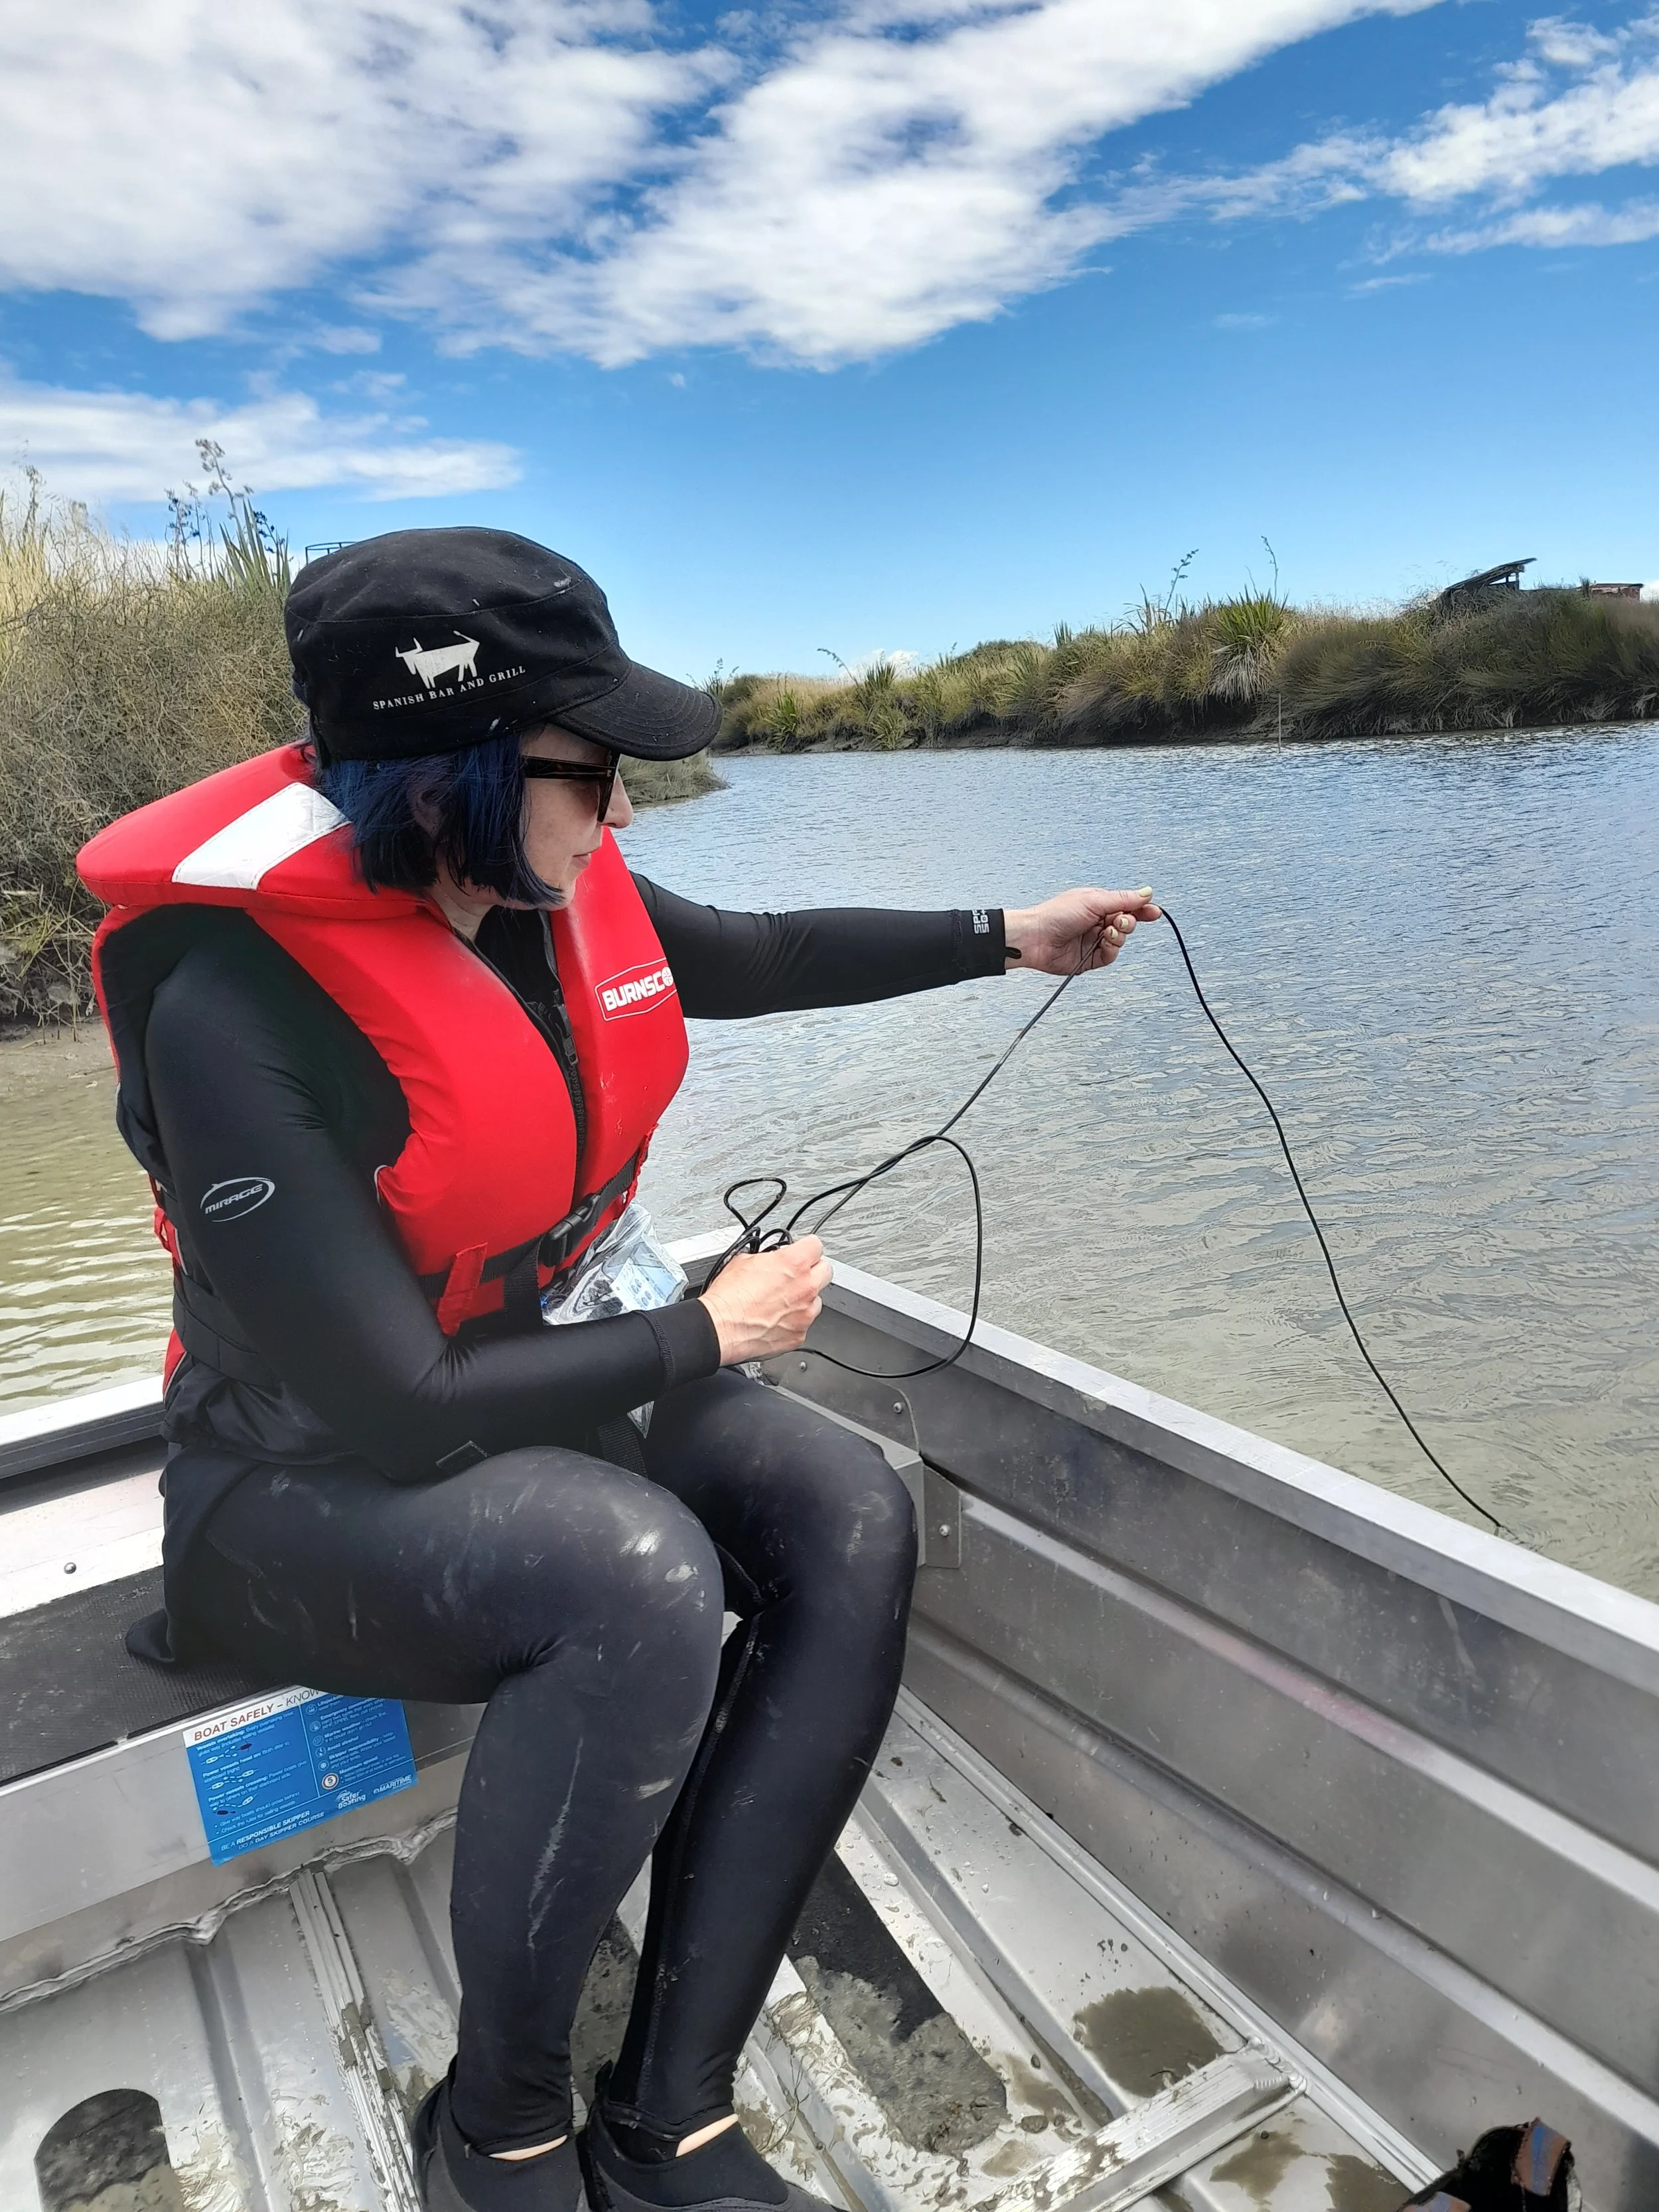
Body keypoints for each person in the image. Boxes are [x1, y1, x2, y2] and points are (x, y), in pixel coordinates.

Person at [78, 529, 1160, 2212]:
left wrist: (1007, 932)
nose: (626, 813)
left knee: (844, 1505)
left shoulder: (539, 890)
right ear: (454, 773)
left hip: (542, 1393)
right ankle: (498, 2124)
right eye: (592, 772)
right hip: (295, 1491)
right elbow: (393, 1406)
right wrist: (702, 1332)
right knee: (641, 1577)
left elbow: (763, 954)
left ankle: (671, 2119)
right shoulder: (232, 1000)